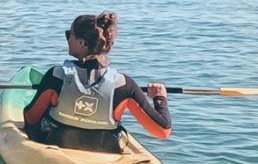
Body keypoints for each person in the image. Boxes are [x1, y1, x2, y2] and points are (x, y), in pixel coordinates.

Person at [22, 11, 170, 151]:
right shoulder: (124, 85)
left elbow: (31, 117)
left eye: (69, 34)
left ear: (82, 43)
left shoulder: (56, 76)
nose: (67, 39)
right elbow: (163, 131)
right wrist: (159, 98)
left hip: (57, 147)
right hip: (104, 151)